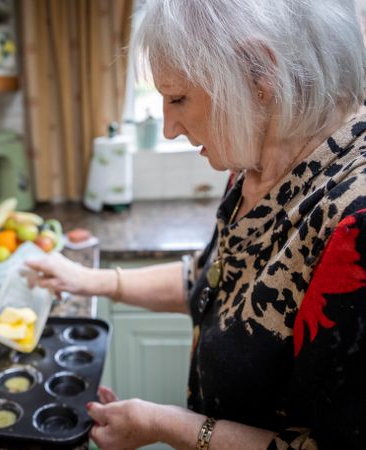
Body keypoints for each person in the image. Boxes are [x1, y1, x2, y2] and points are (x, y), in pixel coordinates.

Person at [26, 0, 366, 449]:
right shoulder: (252, 166)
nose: (168, 128)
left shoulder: (352, 222)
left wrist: (167, 426)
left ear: (259, 75)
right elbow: (208, 281)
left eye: (178, 98)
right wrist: (91, 280)